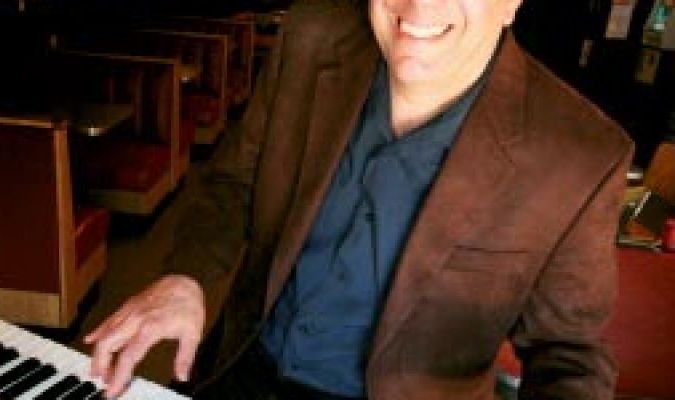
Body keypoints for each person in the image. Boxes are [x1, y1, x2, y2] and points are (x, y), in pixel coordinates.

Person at [85, 0, 634, 398]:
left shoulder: (581, 154)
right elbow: (233, 184)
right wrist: (188, 278)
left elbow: (570, 355)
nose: (420, 6)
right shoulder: (311, 37)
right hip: (242, 371)